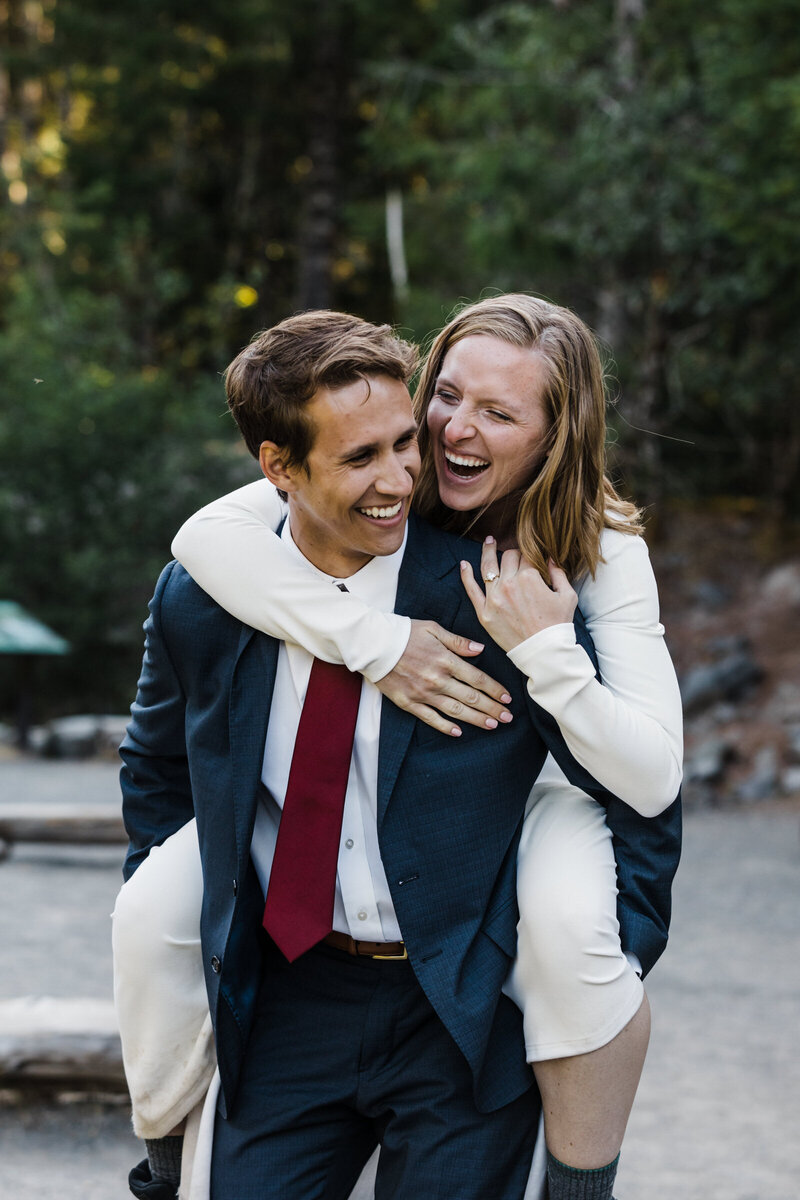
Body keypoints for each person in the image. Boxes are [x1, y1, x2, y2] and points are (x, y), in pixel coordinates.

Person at [115, 307, 680, 1200]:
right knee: (150, 910)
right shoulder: (227, 576)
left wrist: (546, 653)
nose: (449, 433)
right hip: (291, 991)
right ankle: (161, 1158)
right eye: (446, 398)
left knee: (575, 931)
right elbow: (159, 750)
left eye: (499, 414)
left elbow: (643, 784)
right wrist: (372, 640)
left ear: (550, 437)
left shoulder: (527, 580)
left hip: (450, 996)